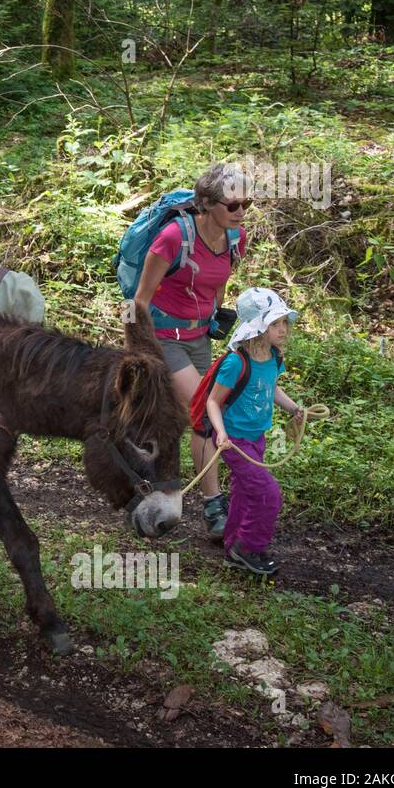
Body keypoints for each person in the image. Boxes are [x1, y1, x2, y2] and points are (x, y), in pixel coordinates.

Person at [134, 163, 249, 540]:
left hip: (200, 337)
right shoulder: (172, 237)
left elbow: (217, 282)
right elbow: (139, 300)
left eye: (247, 202)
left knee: (201, 417)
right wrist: (137, 350)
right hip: (163, 337)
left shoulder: (236, 239)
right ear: (207, 204)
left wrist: (218, 314)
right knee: (202, 409)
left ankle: (196, 496)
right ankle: (214, 505)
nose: (242, 211)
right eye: (233, 205)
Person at [204, 288, 303, 576]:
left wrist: (293, 408)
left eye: (284, 322)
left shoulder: (273, 357)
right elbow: (213, 400)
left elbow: (271, 388)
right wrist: (220, 433)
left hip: (256, 438)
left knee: (244, 491)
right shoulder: (237, 361)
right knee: (267, 494)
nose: (282, 329)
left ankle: (233, 545)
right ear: (258, 327)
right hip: (233, 441)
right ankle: (249, 547)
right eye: (275, 324)